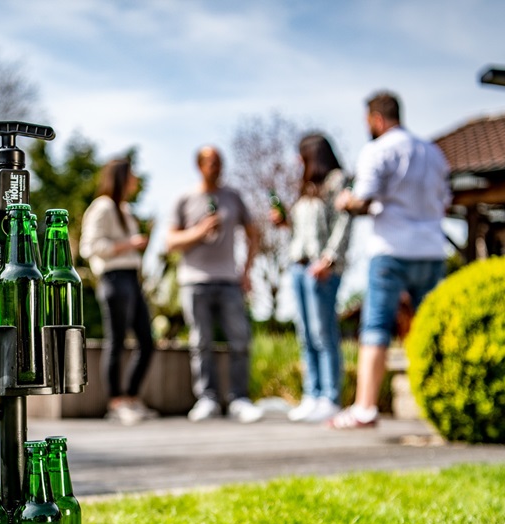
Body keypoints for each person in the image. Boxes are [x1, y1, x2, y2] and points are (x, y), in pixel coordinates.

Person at [330, 91, 451, 429]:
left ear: (376, 119)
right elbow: (445, 200)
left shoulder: (378, 150)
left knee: (376, 327)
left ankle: (365, 408)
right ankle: (439, 401)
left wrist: (345, 201)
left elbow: (363, 199)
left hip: (391, 250)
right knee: (430, 328)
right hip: (431, 250)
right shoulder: (433, 153)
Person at [166, 146, 263, 424]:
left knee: (240, 339)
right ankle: (207, 399)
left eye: (219, 162)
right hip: (194, 281)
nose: (216, 167)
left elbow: (253, 234)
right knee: (201, 342)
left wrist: (247, 270)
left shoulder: (233, 197)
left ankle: (239, 399)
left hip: (229, 280)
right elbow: (170, 242)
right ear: (199, 166)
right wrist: (199, 231)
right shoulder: (184, 198)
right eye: (210, 162)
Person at [270, 133, 352, 423]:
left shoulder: (337, 181)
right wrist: (285, 222)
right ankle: (312, 394)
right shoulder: (307, 188)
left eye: (301, 155)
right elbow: (303, 231)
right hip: (299, 266)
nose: (297, 161)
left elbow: (343, 222)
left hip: (322, 268)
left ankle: (330, 397)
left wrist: (328, 258)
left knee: (323, 333)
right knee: (305, 334)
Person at [80, 157, 156, 426]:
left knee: (147, 341)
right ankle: (115, 403)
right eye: (131, 175)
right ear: (121, 177)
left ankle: (131, 398)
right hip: (114, 278)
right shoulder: (102, 207)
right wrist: (129, 244)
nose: (135, 180)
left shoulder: (124, 209)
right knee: (116, 341)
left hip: (132, 279)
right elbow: (89, 247)